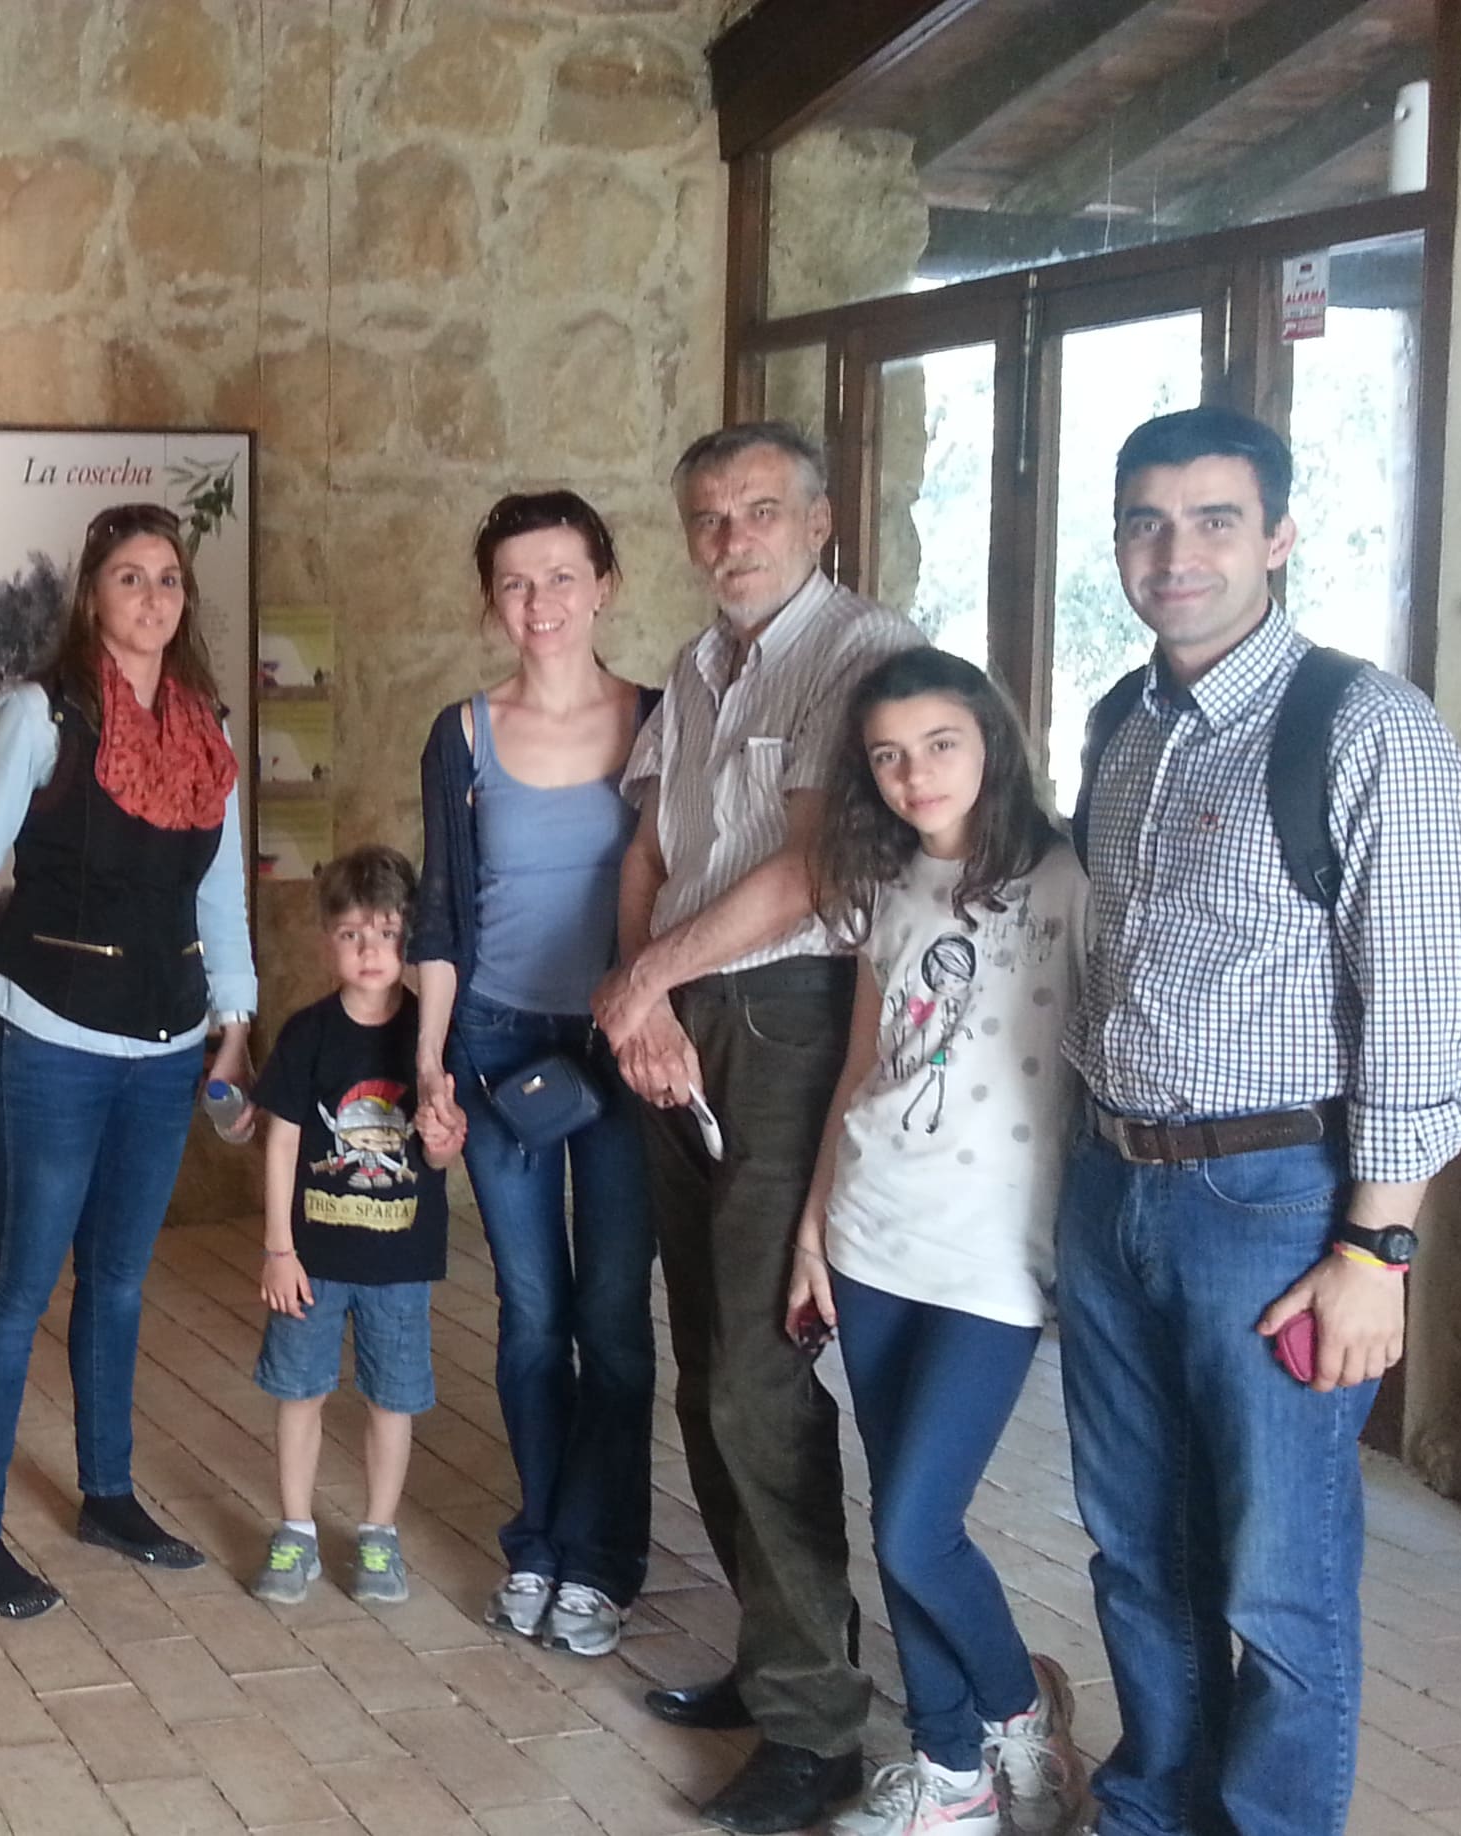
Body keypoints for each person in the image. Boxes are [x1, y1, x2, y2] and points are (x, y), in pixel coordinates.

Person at [1059, 407, 1461, 1836]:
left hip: (1279, 1207)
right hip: (1113, 1180)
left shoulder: (1366, 729)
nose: (1174, 553)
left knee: (1277, 1578)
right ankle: (1153, 1808)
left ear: (1280, 535)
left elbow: (1426, 1020)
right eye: (1145, 522)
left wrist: (1377, 1252)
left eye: (1214, 520)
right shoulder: (1121, 723)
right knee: (1136, 1546)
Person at [594, 421, 924, 1834]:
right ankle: (782, 1649)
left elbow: (810, 870)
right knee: (706, 1366)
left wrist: (646, 981)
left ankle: (815, 1732)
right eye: (711, 518)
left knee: (756, 1376)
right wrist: (639, 1000)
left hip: (790, 1022)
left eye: (761, 510)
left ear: (820, 521)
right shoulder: (694, 668)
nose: (733, 538)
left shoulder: (862, 653)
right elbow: (648, 852)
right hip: (678, 1024)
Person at [0, 500, 260, 1621]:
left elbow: (220, 893)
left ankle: (107, 1496)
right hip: (48, 1036)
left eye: (168, 578)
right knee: (21, 1282)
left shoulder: (207, 728)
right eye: (130, 577)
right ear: (91, 594)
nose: (152, 597)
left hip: (165, 1044)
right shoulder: (40, 714)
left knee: (118, 1281)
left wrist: (235, 1015)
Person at [787, 649, 1088, 1836]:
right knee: (897, 1519)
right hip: (873, 1233)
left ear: (992, 742)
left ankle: (1016, 1713)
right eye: (888, 756)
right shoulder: (886, 882)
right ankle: (949, 1767)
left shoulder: (1069, 880)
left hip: (996, 1258)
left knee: (920, 1525)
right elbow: (863, 1066)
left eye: (940, 744)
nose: (915, 774)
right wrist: (814, 1226)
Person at [406, 491, 657, 1657]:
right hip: (498, 1042)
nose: (540, 601)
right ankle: (540, 1542)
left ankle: (602, 1560)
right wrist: (431, 1065)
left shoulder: (661, 723)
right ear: (490, 601)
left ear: (604, 584)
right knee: (530, 1315)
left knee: (612, 1315)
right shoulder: (462, 735)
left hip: (620, 1044)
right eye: (515, 581)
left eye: (561, 576)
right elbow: (442, 914)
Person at [249, 845, 464, 1608]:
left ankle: (379, 1532)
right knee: (299, 1391)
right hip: (312, 1261)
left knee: (392, 1400)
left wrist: (442, 1143)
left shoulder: (431, 1041)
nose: (370, 950)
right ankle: (296, 1528)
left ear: (413, 938)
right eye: (351, 934)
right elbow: (280, 1143)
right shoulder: (307, 1034)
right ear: (326, 943)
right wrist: (279, 1249)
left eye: (388, 932)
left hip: (400, 1265)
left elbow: (440, 1152)